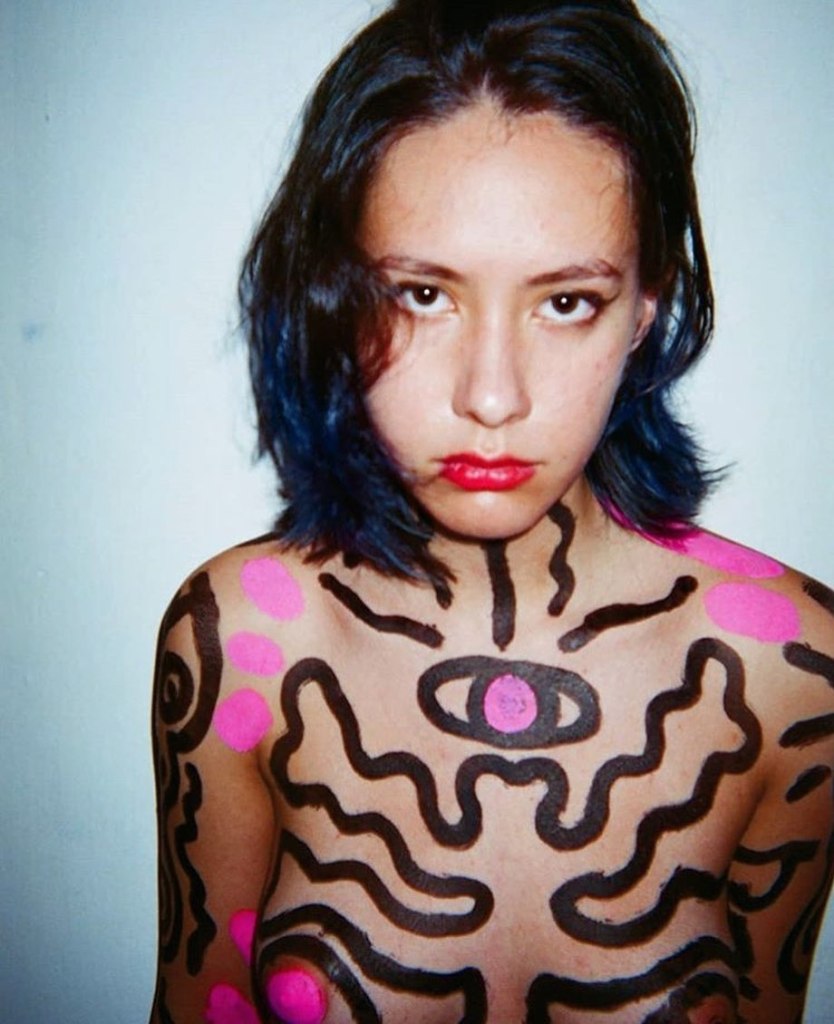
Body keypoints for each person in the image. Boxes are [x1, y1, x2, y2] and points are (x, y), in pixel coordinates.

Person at [149, 2, 834, 1021]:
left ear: (645, 309)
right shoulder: (242, 647)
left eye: (567, 302)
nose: (493, 397)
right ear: (337, 293)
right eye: (423, 294)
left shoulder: (791, 677)